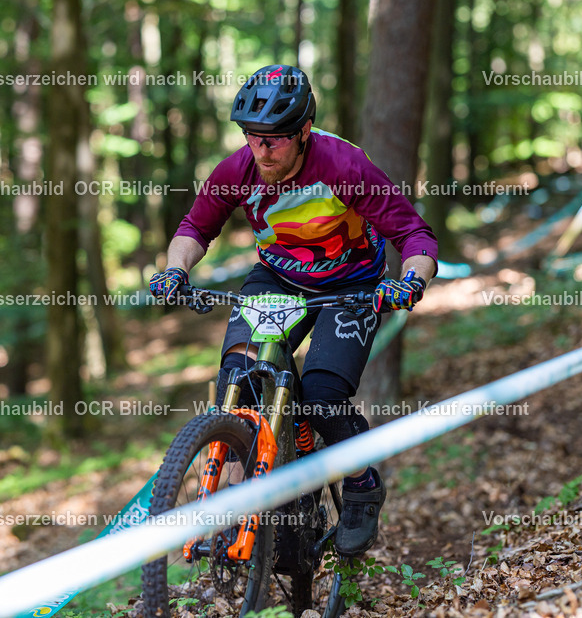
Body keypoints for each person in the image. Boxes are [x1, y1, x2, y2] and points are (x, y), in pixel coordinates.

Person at [149, 64, 438, 556]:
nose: (261, 150)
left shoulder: (344, 166)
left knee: (322, 394)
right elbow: (195, 229)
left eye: (275, 140)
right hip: (278, 277)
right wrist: (175, 270)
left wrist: (410, 281)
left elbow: (416, 236)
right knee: (234, 379)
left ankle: (362, 484)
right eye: (251, 137)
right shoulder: (237, 168)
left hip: (351, 282)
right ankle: (237, 508)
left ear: (304, 131)